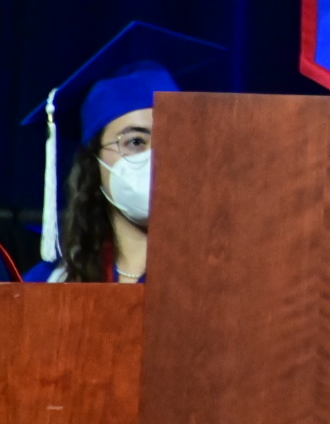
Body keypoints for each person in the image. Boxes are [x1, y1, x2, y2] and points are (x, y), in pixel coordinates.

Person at [19, 22, 225, 283]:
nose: (155, 158)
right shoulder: (53, 285)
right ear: (93, 162)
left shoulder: (221, 280)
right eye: (135, 142)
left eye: (171, 140)